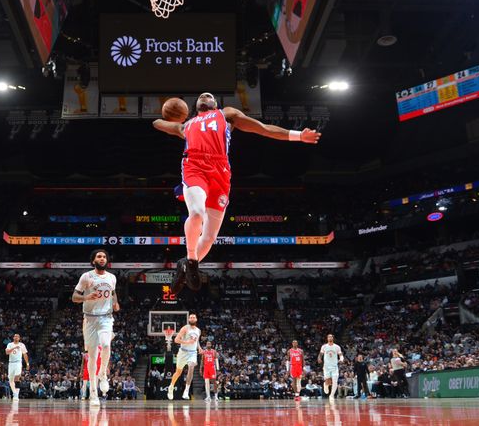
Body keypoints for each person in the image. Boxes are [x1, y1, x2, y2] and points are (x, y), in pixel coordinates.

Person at [153, 92, 321, 292]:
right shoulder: (187, 125)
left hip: (220, 173)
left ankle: (184, 264)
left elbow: (264, 129)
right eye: (201, 95)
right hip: (194, 167)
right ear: (196, 106)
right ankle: (191, 261)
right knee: (197, 212)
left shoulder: (226, 114)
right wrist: (170, 113)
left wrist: (299, 136)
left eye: (209, 95)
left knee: (209, 237)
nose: (205, 95)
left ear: (215, 103)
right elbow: (157, 123)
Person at [72, 249, 120, 407]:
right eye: (99, 256)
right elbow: (74, 297)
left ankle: (103, 374)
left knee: (106, 345)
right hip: (90, 319)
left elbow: (113, 293)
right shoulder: (86, 276)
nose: (102, 258)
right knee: (92, 356)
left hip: (106, 317)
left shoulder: (112, 277)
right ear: (93, 261)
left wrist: (115, 302)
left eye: (104, 256)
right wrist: (86, 297)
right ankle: (93, 392)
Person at [167, 313, 202, 401]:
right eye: (191, 317)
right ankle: (171, 387)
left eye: (194, 317)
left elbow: (196, 341)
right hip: (183, 352)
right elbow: (176, 340)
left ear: (196, 319)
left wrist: (199, 348)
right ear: (189, 320)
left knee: (191, 367)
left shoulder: (198, 330)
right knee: (178, 373)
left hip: (193, 353)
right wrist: (187, 342)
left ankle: (186, 391)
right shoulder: (185, 328)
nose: (192, 318)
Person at [318, 334, 344, 400]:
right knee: (328, 382)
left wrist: (341, 359)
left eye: (331, 337)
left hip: (334, 367)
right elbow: (320, 354)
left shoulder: (337, 347)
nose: (330, 338)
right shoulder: (324, 346)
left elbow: (340, 354)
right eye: (328, 337)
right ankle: (325, 384)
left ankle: (331, 395)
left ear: (333, 338)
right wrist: (319, 358)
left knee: (335, 381)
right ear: (327, 338)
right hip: (326, 367)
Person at [5, 333, 29, 400]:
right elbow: (7, 352)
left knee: (17, 377)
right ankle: (15, 393)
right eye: (15, 336)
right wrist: (14, 347)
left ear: (19, 338)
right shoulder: (10, 344)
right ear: (13, 338)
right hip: (11, 363)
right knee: (10, 380)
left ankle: (16, 395)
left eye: (17, 336)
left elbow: (25, 355)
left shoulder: (22, 345)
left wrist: (27, 364)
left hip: (18, 363)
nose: (16, 337)